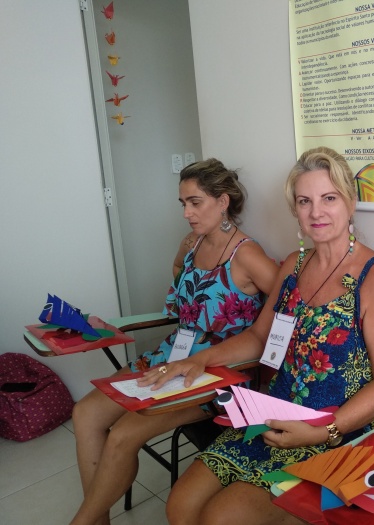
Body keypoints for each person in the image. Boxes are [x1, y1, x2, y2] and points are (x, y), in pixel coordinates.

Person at [142, 146, 374, 525]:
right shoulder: (293, 266)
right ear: (295, 210)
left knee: (221, 517)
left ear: (350, 202)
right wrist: (199, 359)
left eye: (329, 198)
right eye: (304, 201)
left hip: (339, 430)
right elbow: (259, 337)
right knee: (180, 505)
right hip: (272, 416)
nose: (316, 212)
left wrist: (324, 431)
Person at [70, 158, 279, 525]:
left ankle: (82, 522)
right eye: (183, 203)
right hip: (171, 354)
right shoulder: (194, 243)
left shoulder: (247, 255)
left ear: (223, 201)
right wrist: (182, 254)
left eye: (195, 202)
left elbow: (286, 306)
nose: (186, 213)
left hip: (216, 373)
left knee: (123, 435)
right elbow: (181, 278)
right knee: (85, 413)